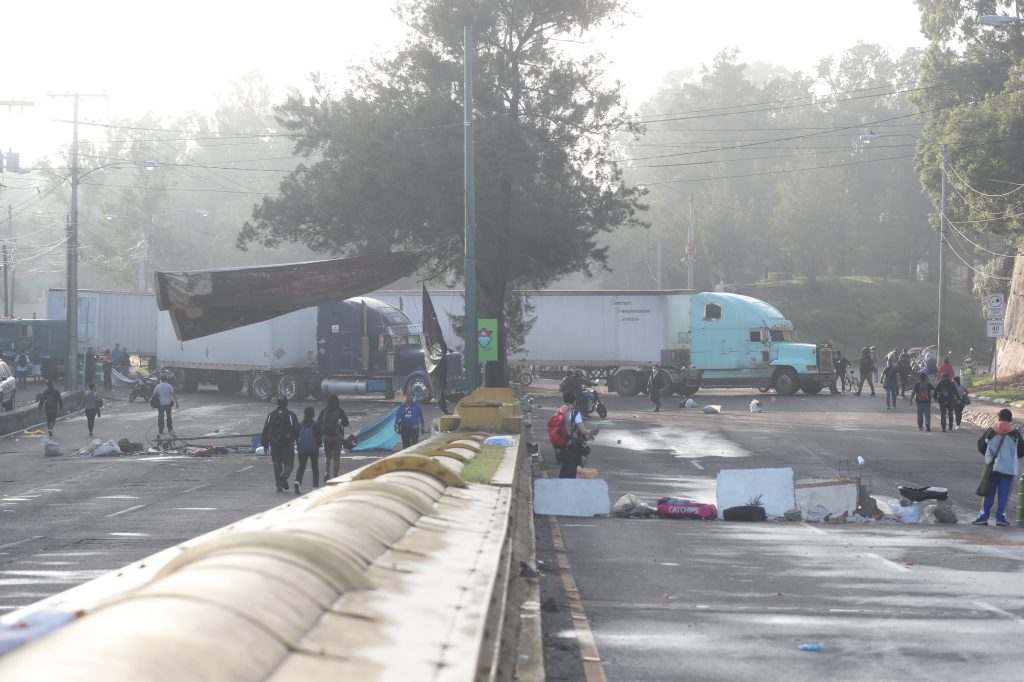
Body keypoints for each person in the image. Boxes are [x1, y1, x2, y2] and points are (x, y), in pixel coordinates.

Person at [973, 408, 1024, 526]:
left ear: (999, 417)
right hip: (1008, 469)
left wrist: (990, 458)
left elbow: (981, 446)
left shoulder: (991, 431)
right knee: (1004, 495)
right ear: (1010, 419)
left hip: (992, 468)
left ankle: (983, 517)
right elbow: (1021, 451)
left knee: (988, 494)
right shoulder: (1015, 434)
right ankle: (1001, 518)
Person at [261, 397, 299, 492]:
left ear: (277, 403)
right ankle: (284, 477)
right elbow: (297, 429)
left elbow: (266, 429)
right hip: (287, 444)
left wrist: (265, 443)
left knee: (277, 465)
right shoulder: (291, 415)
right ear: (287, 403)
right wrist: (297, 440)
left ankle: (279, 485)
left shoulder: (271, 415)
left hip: (274, 444)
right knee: (289, 464)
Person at [559, 394, 596, 479]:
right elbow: (582, 430)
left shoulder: (560, 410)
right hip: (572, 446)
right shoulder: (575, 413)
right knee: (572, 471)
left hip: (561, 444)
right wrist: (590, 432)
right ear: (574, 401)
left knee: (564, 470)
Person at [317, 393, 350, 483]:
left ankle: (327, 472)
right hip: (337, 437)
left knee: (328, 457)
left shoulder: (324, 411)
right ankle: (335, 476)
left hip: (326, 437)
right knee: (336, 458)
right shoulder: (340, 411)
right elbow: (346, 424)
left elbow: (318, 424)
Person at [294, 405, 321, 495]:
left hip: (302, 449)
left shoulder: (299, 425)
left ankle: (297, 481)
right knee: (315, 467)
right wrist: (318, 446)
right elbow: (319, 438)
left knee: (301, 466)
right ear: (313, 414)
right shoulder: (316, 425)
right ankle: (315, 486)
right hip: (313, 449)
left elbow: (296, 437)